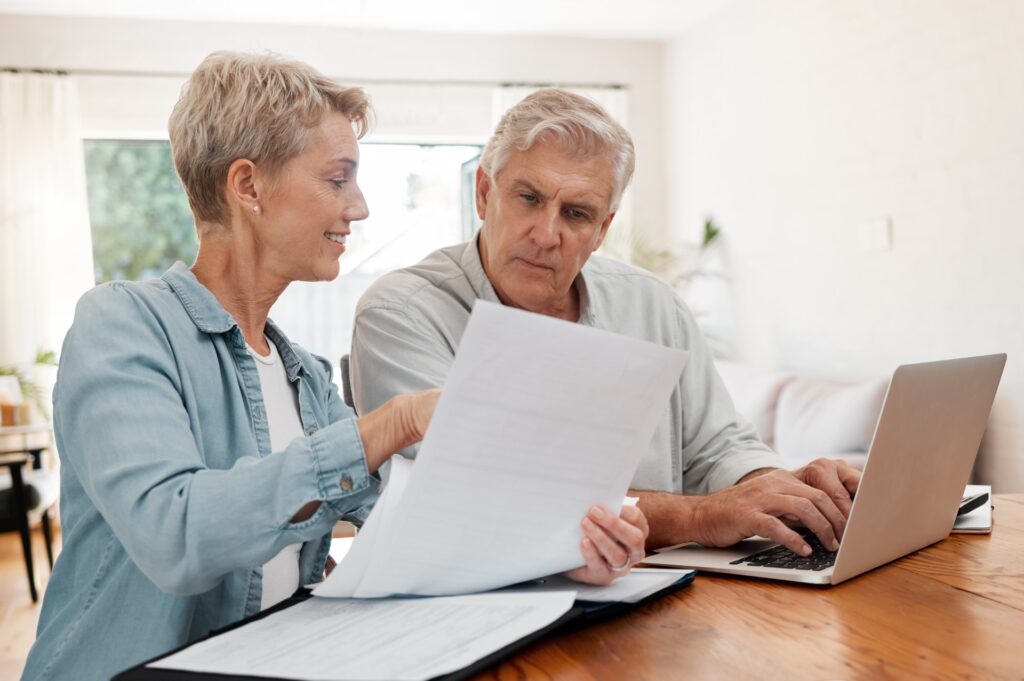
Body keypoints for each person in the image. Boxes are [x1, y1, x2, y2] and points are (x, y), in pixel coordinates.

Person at [22, 58, 646, 681]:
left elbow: (420, 531)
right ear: (248, 186)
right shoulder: (122, 324)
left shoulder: (305, 378)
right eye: (337, 178)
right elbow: (175, 534)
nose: (361, 206)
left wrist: (568, 550)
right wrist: (392, 423)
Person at [350, 88, 861, 560]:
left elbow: (719, 447)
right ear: (484, 193)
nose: (547, 234)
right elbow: (487, 501)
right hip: (487, 607)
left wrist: (782, 492)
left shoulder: (652, 304)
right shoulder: (401, 313)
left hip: (663, 597)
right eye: (528, 198)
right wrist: (700, 516)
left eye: (576, 213)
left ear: (602, 229)